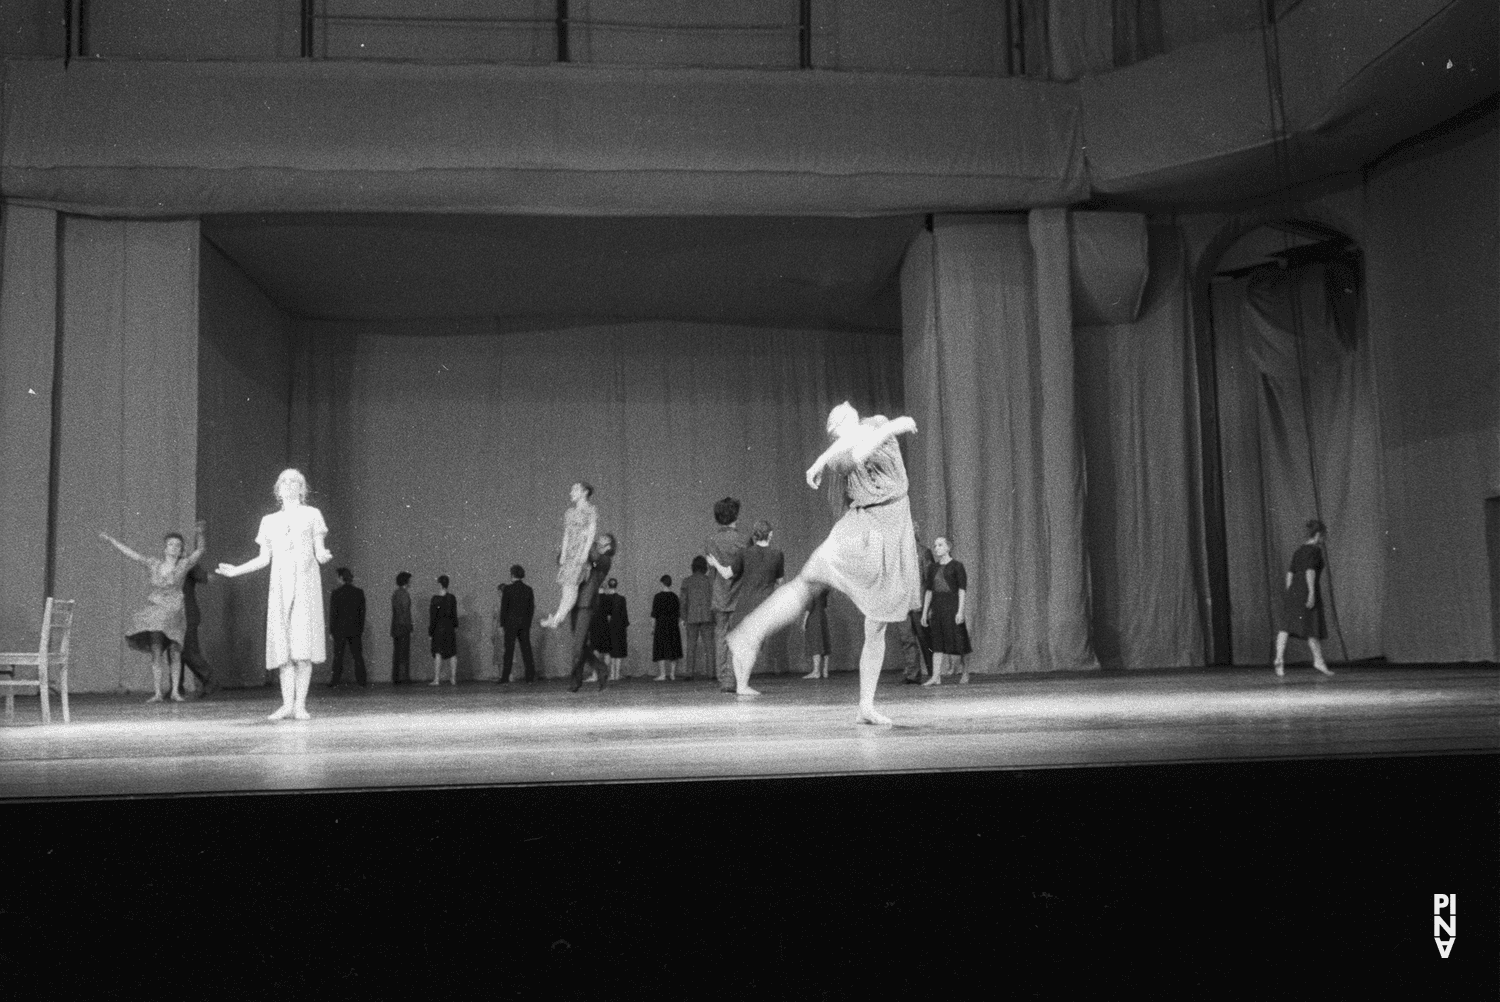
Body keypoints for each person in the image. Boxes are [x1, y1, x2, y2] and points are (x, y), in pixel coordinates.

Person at [725, 403, 920, 724]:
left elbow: (860, 436)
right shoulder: (850, 452)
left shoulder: (871, 425)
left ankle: (866, 707)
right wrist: (893, 427)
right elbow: (855, 451)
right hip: (868, 525)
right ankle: (748, 634)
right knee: (812, 581)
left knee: (876, 623)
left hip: (890, 522)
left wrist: (818, 460)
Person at [216, 469, 332, 721]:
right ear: (278, 490)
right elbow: (263, 558)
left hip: (304, 581)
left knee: (302, 647)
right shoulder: (269, 520)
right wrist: (236, 571)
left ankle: (300, 705)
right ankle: (286, 704)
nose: (289, 485)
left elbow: (319, 550)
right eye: (284, 481)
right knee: (284, 648)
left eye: (295, 481)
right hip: (280, 583)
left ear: (302, 489)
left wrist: (322, 556)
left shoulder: (313, 515)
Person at [100, 520, 207, 703]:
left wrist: (200, 534)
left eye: (177, 545)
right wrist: (112, 540)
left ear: (181, 550)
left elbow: (199, 552)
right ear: (165, 548)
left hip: (174, 611)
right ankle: (157, 692)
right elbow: (132, 555)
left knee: (175, 650)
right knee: (156, 650)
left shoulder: (183, 565)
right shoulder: (154, 564)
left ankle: (174, 691)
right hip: (157, 610)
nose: (173, 547)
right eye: (170, 544)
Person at [1274, 519, 1334, 677]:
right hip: (1306, 589)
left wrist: (1290, 593)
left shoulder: (1299, 550)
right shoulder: (1314, 550)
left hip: (1294, 590)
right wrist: (1311, 593)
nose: (1324, 539)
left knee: (1285, 627)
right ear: (1319, 535)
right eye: (1324, 536)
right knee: (1312, 627)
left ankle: (1279, 658)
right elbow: (1310, 571)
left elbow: (1290, 574)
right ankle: (1318, 660)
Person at [541, 482, 598, 628]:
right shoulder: (569, 512)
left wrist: (585, 552)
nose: (571, 492)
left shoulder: (591, 510)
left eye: (575, 489)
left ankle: (558, 618)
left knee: (571, 587)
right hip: (570, 554)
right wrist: (564, 553)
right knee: (567, 587)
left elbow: (591, 532)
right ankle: (557, 617)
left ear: (584, 492)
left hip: (579, 552)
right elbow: (566, 534)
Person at [703, 497, 746, 693]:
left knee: (721, 637)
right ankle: (733, 678)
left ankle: (724, 678)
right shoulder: (743, 539)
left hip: (719, 596)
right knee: (738, 638)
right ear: (735, 515)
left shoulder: (711, 540)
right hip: (738, 596)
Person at [734, 519, 786, 674]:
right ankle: (742, 684)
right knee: (754, 644)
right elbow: (779, 581)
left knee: (745, 644)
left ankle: (741, 684)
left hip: (746, 603)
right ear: (770, 535)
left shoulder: (745, 553)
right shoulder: (777, 553)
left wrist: (715, 562)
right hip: (765, 605)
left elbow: (727, 573)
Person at [567, 534, 617, 692]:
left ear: (609, 546)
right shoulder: (591, 553)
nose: (598, 538)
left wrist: (585, 539)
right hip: (575, 602)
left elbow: (592, 555)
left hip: (586, 605)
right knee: (580, 646)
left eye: (603, 538)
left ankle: (578, 681)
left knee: (577, 647)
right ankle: (599, 671)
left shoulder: (605, 559)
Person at [921, 536, 973, 685]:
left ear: (948, 547)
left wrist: (960, 611)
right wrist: (925, 612)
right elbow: (929, 591)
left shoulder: (957, 566)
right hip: (937, 607)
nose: (936, 548)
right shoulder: (932, 568)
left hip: (952, 606)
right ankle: (936, 676)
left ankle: (965, 672)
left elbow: (962, 590)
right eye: (935, 545)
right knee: (937, 642)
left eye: (940, 545)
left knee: (959, 639)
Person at [179, 521, 217, 698]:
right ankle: (175, 687)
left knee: (189, 651)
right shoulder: (170, 565)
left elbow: (207, 578)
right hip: (171, 613)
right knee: (174, 650)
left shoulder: (188, 565)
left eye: (180, 547)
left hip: (187, 612)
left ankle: (210, 680)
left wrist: (200, 534)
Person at [900, 522, 936, 684]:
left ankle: (933, 673)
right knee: (907, 639)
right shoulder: (897, 554)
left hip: (919, 602)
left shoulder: (923, 552)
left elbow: (930, 580)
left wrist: (929, 606)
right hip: (902, 604)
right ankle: (913, 674)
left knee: (925, 639)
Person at [327, 566, 367, 688]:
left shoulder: (336, 593)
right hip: (355, 629)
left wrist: (331, 631)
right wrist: (360, 629)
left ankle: (335, 681)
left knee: (338, 656)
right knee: (358, 656)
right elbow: (362, 613)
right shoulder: (359, 592)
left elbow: (333, 614)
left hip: (340, 629)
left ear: (340, 577)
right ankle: (362, 681)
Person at [497, 565, 536, 683]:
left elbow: (504, 608)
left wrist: (502, 624)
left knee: (508, 651)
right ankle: (530, 677)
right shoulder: (528, 589)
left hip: (510, 624)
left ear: (512, 574)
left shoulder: (508, 589)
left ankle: (505, 677)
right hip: (524, 623)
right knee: (526, 650)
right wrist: (528, 623)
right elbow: (531, 609)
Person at [680, 556, 715, 680]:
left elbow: (683, 601)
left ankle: (689, 673)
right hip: (707, 616)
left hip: (691, 617)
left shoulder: (687, 581)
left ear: (693, 567)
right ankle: (711, 674)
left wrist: (683, 617)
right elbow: (714, 600)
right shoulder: (710, 581)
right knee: (710, 647)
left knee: (691, 647)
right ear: (705, 567)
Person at [652, 575, 683, 681]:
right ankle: (672, 674)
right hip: (673, 625)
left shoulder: (657, 597)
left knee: (660, 649)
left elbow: (654, 615)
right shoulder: (674, 596)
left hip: (661, 626)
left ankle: (662, 674)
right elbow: (679, 614)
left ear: (662, 583)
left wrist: (653, 627)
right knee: (674, 649)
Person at [429, 575, 458, 685]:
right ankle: (453, 678)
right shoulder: (452, 598)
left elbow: (433, 617)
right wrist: (455, 627)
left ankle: (436, 679)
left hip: (438, 628)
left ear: (440, 584)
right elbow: (454, 615)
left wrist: (430, 631)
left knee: (438, 653)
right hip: (450, 627)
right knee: (452, 653)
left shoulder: (435, 599)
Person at [800, 587, 831, 680]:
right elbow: (824, 604)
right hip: (822, 615)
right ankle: (825, 671)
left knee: (816, 642)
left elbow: (810, 605)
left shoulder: (813, 587)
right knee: (824, 641)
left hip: (814, 616)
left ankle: (816, 671)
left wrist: (805, 620)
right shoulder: (824, 587)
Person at [391, 571, 413, 684]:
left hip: (396, 627)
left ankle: (397, 677)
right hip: (403, 627)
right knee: (404, 653)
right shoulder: (404, 594)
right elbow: (405, 613)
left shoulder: (395, 593)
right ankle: (404, 677)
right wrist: (409, 626)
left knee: (397, 652)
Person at [605, 578, 629, 681]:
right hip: (619, 628)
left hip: (608, 628)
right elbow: (625, 616)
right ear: (617, 585)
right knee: (618, 651)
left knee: (608, 652)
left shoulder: (605, 599)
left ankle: (610, 674)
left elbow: (604, 615)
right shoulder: (621, 599)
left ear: (608, 586)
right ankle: (617, 674)